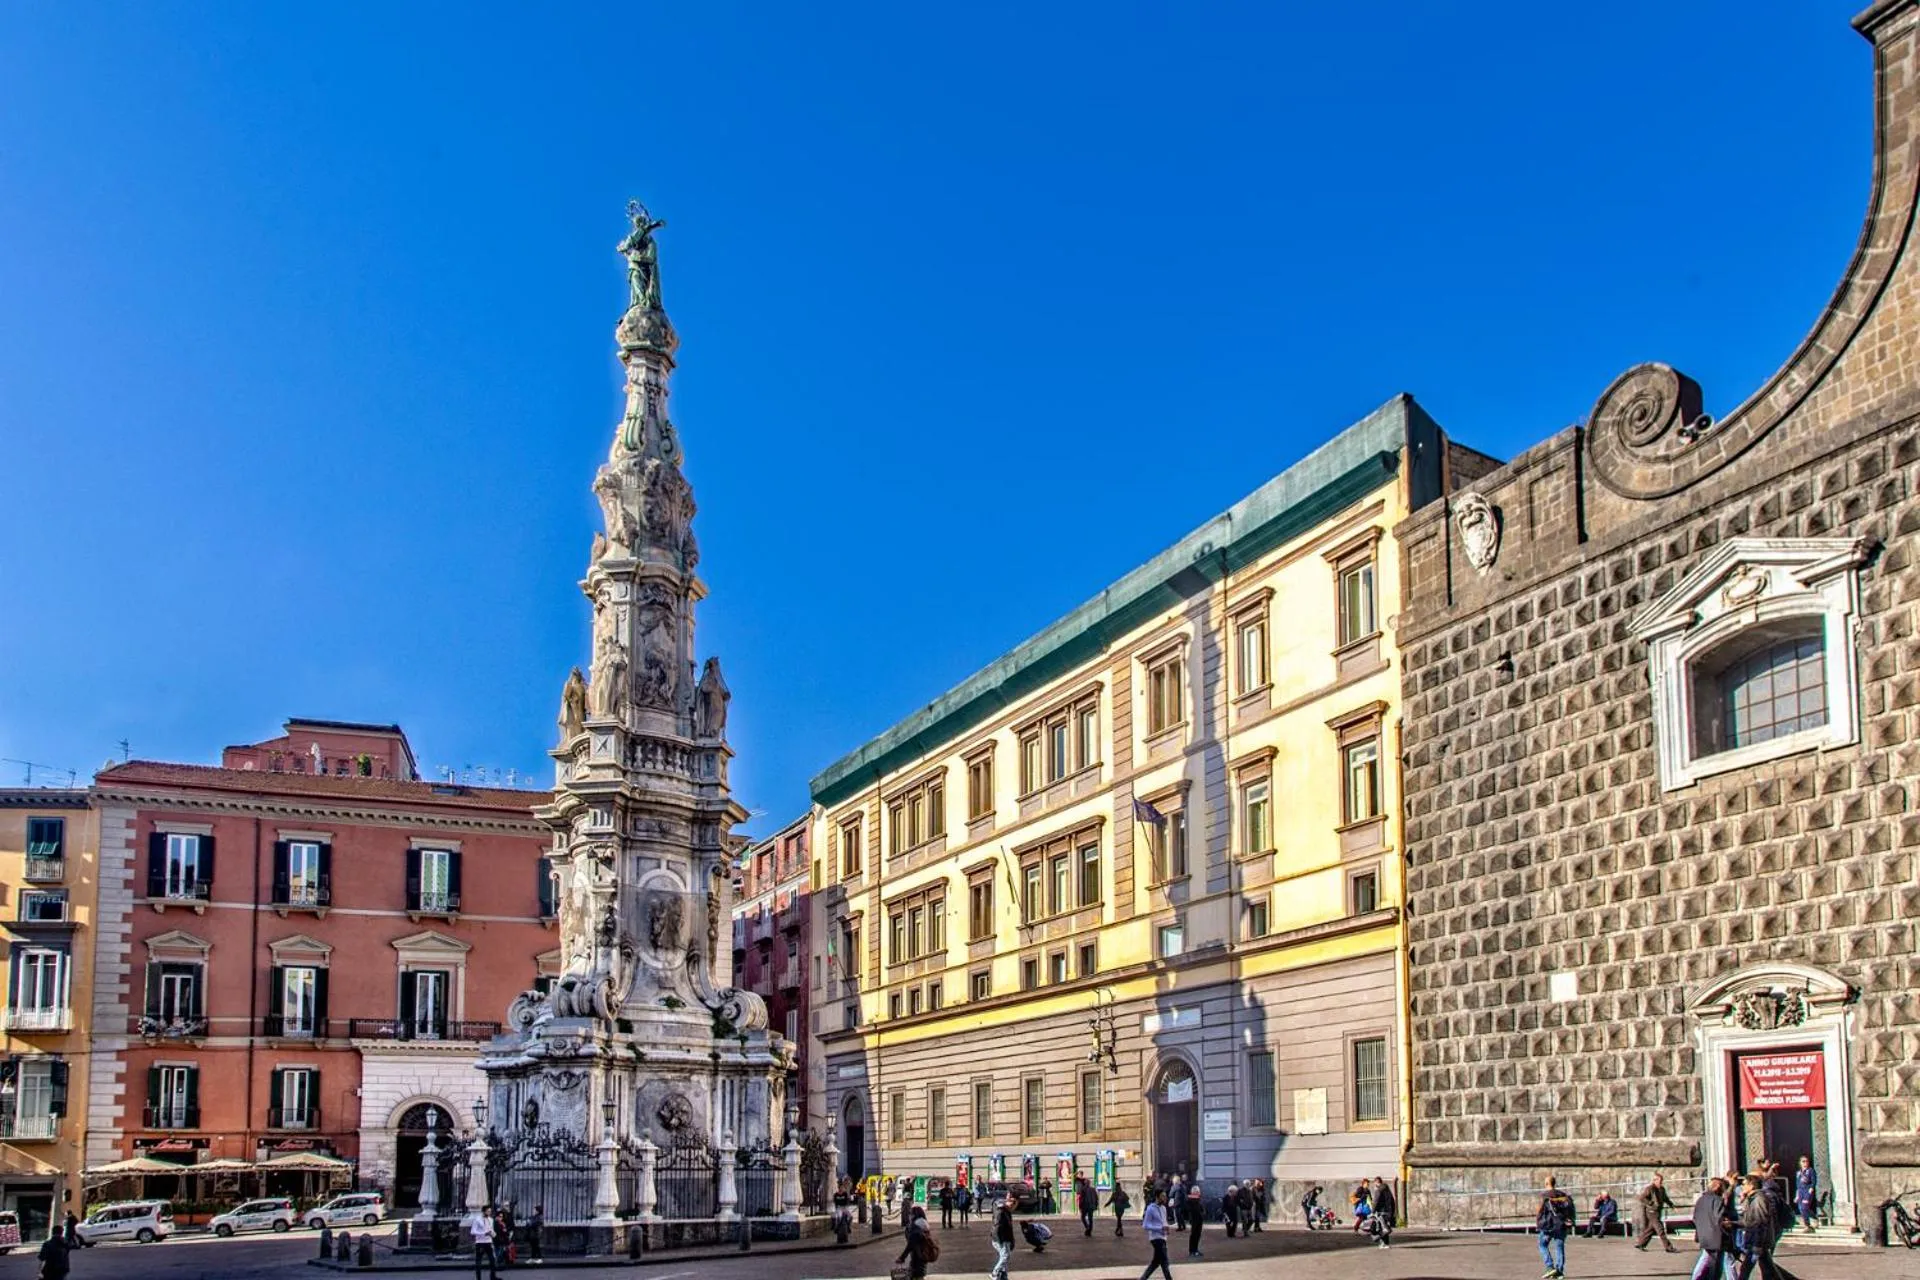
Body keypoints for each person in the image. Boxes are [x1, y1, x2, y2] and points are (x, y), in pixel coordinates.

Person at [1690, 1178, 1732, 1280]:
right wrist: (1729, 1228)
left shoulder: (1701, 1199)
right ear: (1717, 1186)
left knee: (1708, 1263)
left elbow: (1695, 1218)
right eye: (1722, 1187)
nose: (1723, 1190)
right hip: (1716, 1238)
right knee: (1715, 1268)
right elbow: (1720, 1219)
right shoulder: (1717, 1200)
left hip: (1705, 1237)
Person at [1536, 1176, 1575, 1280]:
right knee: (1559, 1247)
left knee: (1542, 1245)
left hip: (1548, 1225)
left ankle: (1550, 1267)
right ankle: (1559, 1271)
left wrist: (1538, 1222)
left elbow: (1539, 1210)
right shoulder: (1563, 1195)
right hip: (1561, 1225)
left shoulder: (1544, 1195)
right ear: (1554, 1183)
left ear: (1546, 1183)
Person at [1635, 1173, 1678, 1252]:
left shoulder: (1662, 1189)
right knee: (1660, 1229)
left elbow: (1666, 1199)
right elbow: (1642, 1198)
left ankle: (1641, 1244)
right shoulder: (1650, 1188)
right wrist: (1650, 1203)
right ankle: (1668, 1247)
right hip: (1651, 1212)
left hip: (1658, 1211)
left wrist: (1672, 1206)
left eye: (1661, 1181)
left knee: (1651, 1229)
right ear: (1654, 1180)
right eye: (1659, 1181)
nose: (1661, 1182)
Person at [1140, 1191, 1173, 1280]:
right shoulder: (1150, 1209)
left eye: (1165, 1196)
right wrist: (1159, 1228)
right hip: (1155, 1238)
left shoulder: (1164, 1208)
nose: (1165, 1198)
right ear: (1157, 1197)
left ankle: (1143, 1278)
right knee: (1164, 1261)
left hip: (1163, 1237)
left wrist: (1166, 1228)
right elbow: (1145, 1225)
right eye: (1163, 1196)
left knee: (1156, 1262)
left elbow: (1164, 1222)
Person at [897, 1204, 933, 1280]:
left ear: (914, 1215)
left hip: (917, 1257)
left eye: (911, 1213)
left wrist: (902, 1257)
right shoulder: (924, 1224)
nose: (909, 1215)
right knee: (919, 1275)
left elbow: (911, 1244)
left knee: (917, 1275)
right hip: (922, 1255)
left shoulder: (915, 1227)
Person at [463, 1204, 499, 1280]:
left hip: (488, 1242)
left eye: (490, 1211)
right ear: (484, 1211)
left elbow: (491, 1229)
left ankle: (493, 1276)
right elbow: (473, 1231)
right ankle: (478, 1278)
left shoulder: (491, 1219)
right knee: (479, 1261)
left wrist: (493, 1234)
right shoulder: (477, 1219)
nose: (489, 1213)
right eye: (488, 1211)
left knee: (492, 1260)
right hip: (480, 1242)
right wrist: (483, 1233)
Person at [991, 1199, 1015, 1280]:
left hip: (1004, 1238)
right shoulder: (1001, 1212)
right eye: (1011, 1203)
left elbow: (1009, 1228)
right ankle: (995, 1272)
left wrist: (1012, 1240)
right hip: (1001, 1238)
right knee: (1005, 1256)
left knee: (1003, 1256)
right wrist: (999, 1239)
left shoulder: (1006, 1212)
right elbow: (998, 1226)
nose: (1012, 1206)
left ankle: (1003, 1275)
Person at [1792, 1157, 1817, 1232]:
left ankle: (1807, 1225)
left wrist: (1810, 1190)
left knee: (1804, 1206)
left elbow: (1813, 1181)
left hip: (1807, 1190)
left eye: (1806, 1161)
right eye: (1803, 1161)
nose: (1805, 1163)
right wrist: (1797, 1195)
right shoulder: (1798, 1172)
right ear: (1800, 1163)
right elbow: (1798, 1184)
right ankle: (1814, 1217)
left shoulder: (1810, 1171)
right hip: (1800, 1191)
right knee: (1801, 1208)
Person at [1370, 1177, 1396, 1247]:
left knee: (1376, 1228)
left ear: (1376, 1182)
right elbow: (1393, 1201)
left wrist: (1372, 1211)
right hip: (1388, 1212)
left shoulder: (1378, 1190)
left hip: (1381, 1212)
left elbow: (1375, 1201)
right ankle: (1386, 1244)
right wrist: (1393, 1212)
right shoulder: (1387, 1190)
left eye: (1374, 1183)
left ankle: (1380, 1241)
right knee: (1383, 1227)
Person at [1185, 1181, 1204, 1258]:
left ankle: (1195, 1249)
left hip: (1199, 1218)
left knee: (1198, 1235)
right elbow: (1189, 1209)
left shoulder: (1198, 1199)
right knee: (1194, 1235)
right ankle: (1192, 1250)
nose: (1199, 1193)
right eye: (1197, 1192)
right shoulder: (1190, 1199)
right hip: (1194, 1218)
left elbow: (1201, 1208)